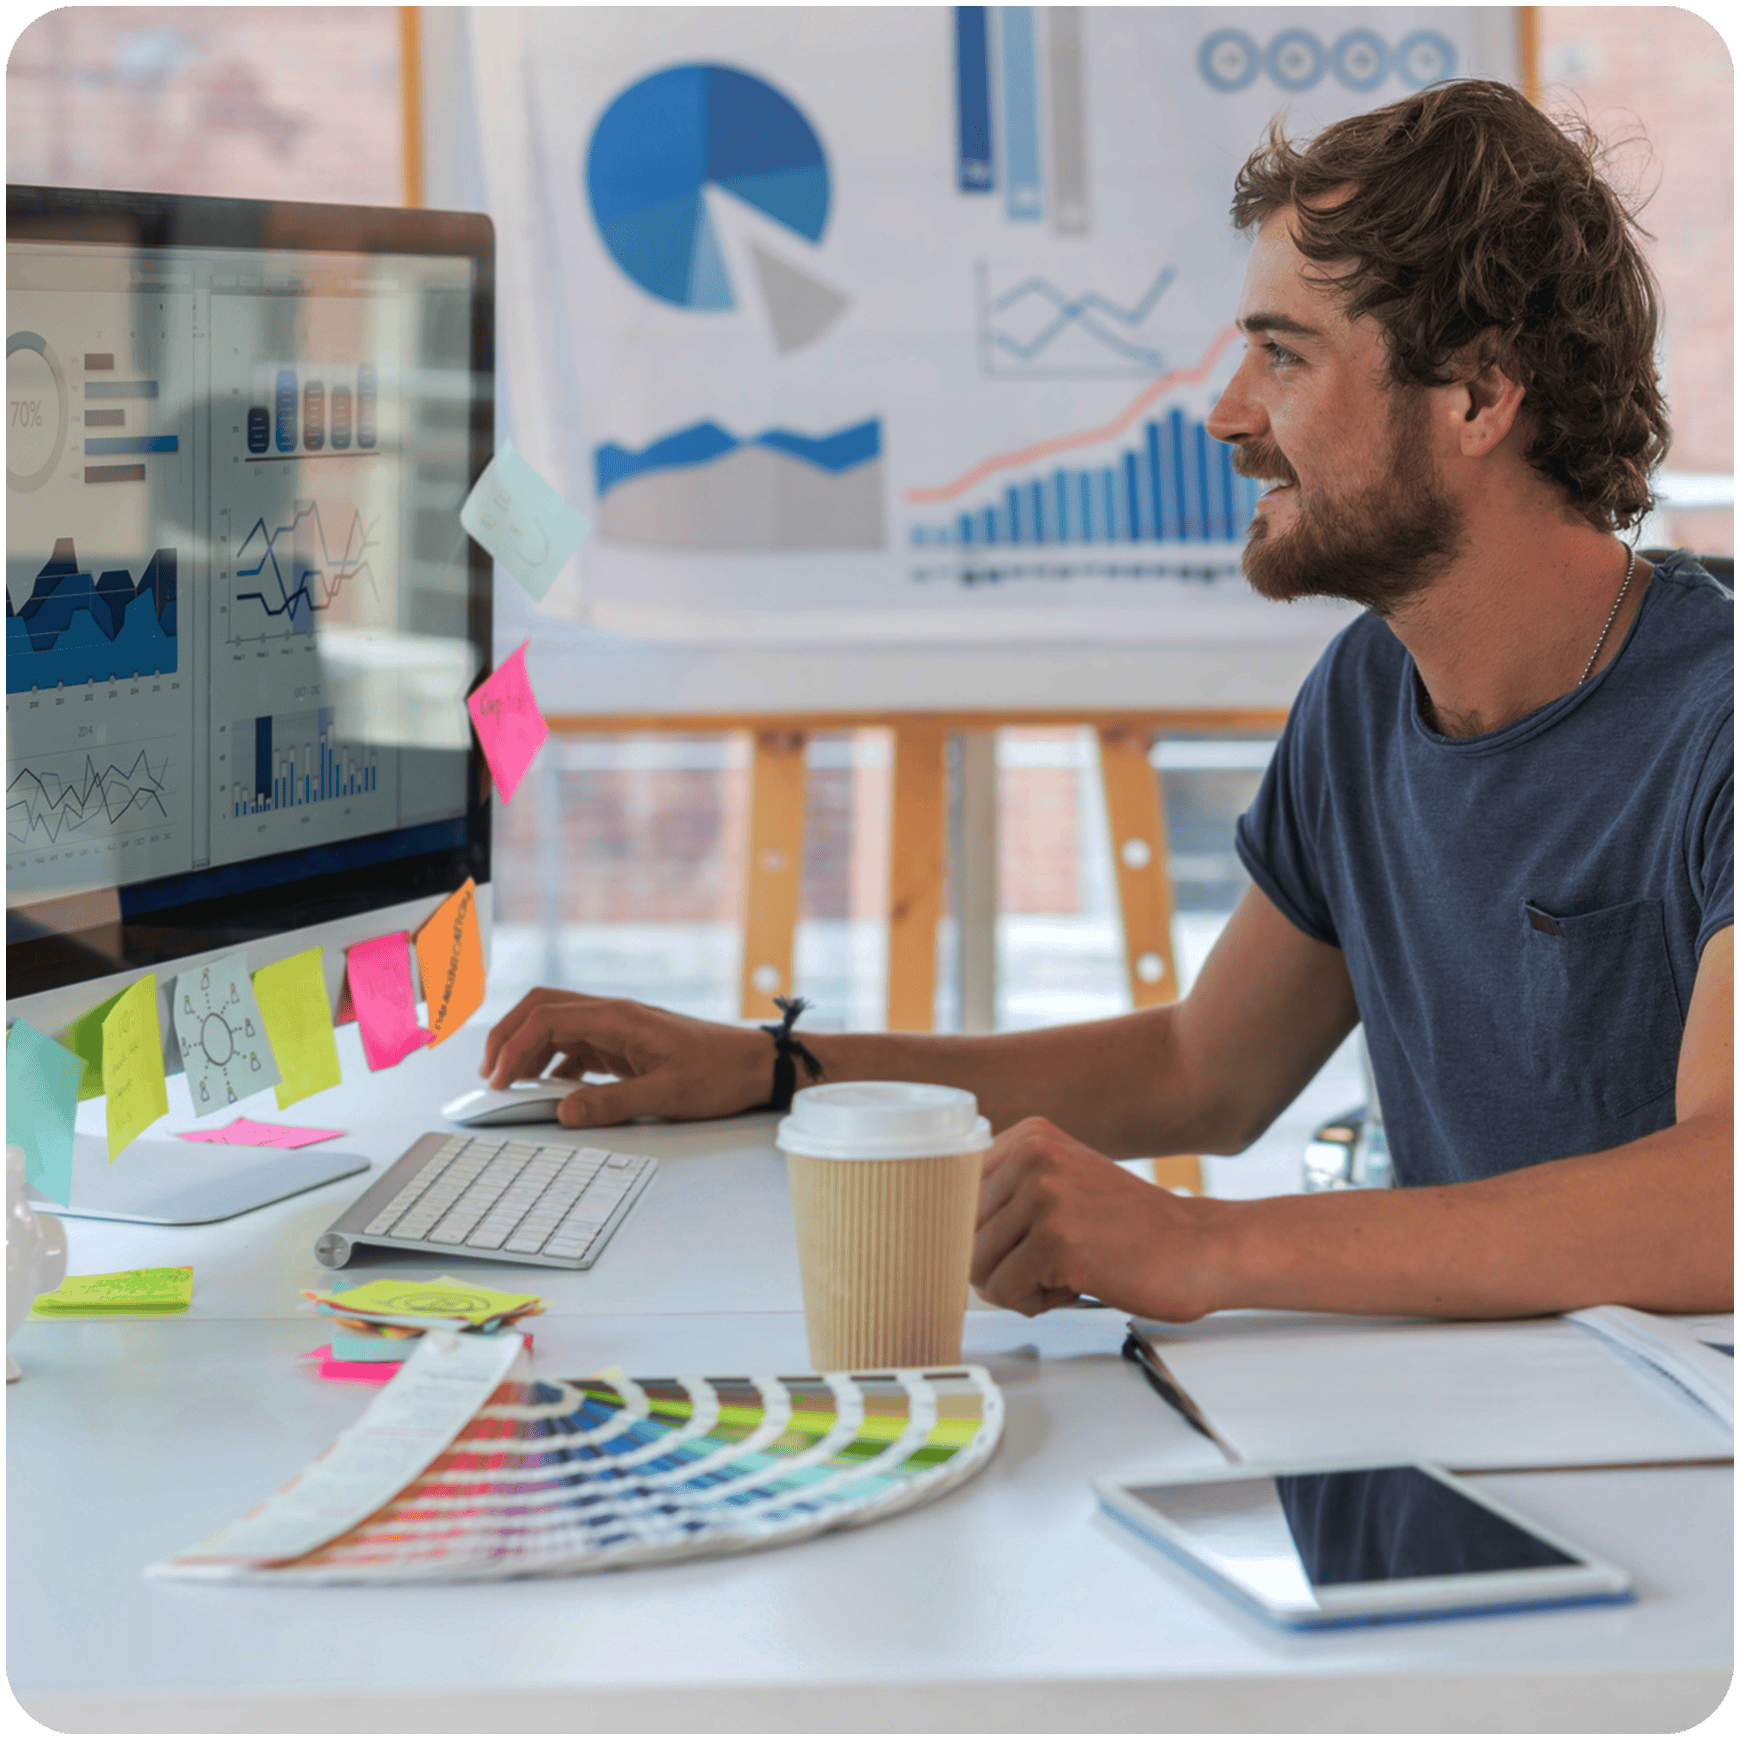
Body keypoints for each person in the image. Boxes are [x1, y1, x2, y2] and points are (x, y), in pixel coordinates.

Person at [483, 80, 1733, 1323]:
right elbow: (1203, 1071)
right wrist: (772, 1067)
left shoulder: (1716, 717)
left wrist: (1207, 1249)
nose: (1227, 414)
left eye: (1283, 355)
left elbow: (1717, 1197)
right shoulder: (1368, 695)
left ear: (1475, 395)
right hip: (1440, 1449)